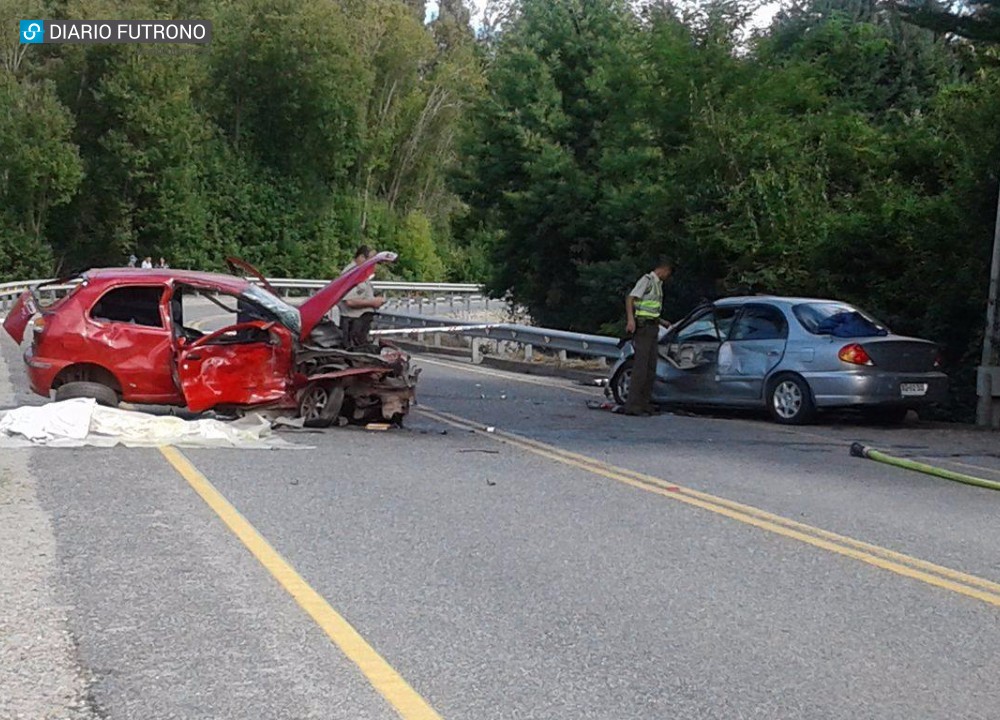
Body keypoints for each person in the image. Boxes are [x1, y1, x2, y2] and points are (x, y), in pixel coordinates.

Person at [619, 258, 674, 416]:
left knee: (651, 367)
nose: (668, 276)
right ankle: (632, 405)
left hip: (653, 326)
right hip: (643, 328)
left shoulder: (658, 285)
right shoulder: (647, 280)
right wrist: (631, 320)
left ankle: (644, 403)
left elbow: (650, 308)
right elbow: (631, 298)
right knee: (640, 368)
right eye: (668, 272)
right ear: (663, 269)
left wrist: (662, 321)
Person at [338, 245, 386, 348]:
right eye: (371, 261)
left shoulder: (360, 273)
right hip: (352, 323)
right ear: (361, 257)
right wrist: (373, 302)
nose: (373, 265)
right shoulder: (352, 273)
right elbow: (349, 301)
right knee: (354, 353)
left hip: (359, 322)